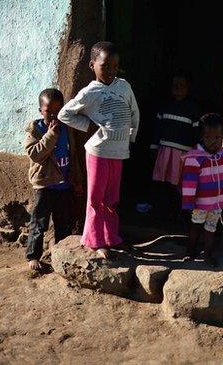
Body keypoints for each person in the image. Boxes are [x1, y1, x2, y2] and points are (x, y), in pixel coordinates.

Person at [58, 41, 140, 259]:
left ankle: (111, 237)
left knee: (112, 198)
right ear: (92, 65)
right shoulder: (89, 92)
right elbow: (64, 114)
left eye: (115, 66)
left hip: (119, 152)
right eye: (105, 66)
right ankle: (95, 241)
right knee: (96, 198)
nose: (111, 71)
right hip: (98, 152)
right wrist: (89, 126)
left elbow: (135, 113)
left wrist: (130, 138)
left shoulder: (124, 86)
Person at [23, 88, 74, 272]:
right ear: (40, 110)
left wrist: (76, 177)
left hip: (63, 184)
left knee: (63, 222)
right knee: (39, 222)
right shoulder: (35, 131)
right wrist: (51, 135)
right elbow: (35, 154)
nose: (53, 115)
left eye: (57, 111)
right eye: (48, 111)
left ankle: (62, 254)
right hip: (44, 185)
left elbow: (72, 153)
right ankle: (33, 256)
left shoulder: (67, 128)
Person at [150, 71, 202, 220]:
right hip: (164, 152)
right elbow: (157, 129)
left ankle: (178, 214)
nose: (178, 89)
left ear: (189, 88)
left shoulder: (193, 110)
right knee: (163, 182)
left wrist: (195, 155)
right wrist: (153, 147)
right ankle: (162, 212)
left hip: (183, 155)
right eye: (175, 86)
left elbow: (197, 134)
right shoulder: (165, 107)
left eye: (182, 86)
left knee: (180, 185)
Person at [181, 113, 223, 265]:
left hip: (217, 204)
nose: (213, 141)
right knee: (196, 227)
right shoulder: (194, 157)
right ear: (201, 137)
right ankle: (190, 251)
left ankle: (207, 255)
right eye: (208, 137)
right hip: (200, 204)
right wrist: (188, 204)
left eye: (217, 137)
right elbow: (188, 184)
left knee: (211, 229)